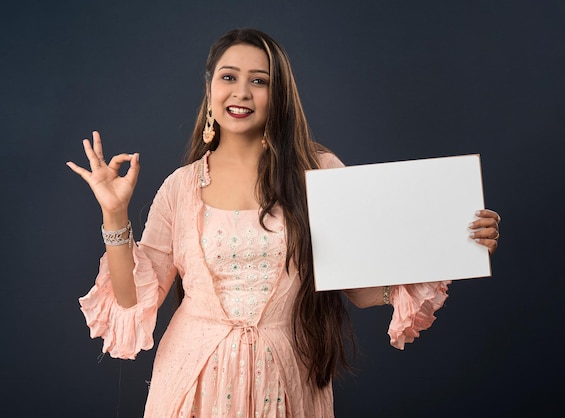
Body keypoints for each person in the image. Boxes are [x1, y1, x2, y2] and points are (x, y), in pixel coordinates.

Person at [66, 28, 501, 418]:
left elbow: (364, 288)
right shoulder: (180, 187)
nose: (242, 92)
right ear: (210, 88)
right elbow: (130, 300)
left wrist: (456, 242)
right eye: (229, 77)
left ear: (279, 95)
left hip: (288, 379)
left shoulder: (319, 171)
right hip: (191, 381)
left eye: (260, 81)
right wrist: (114, 213)